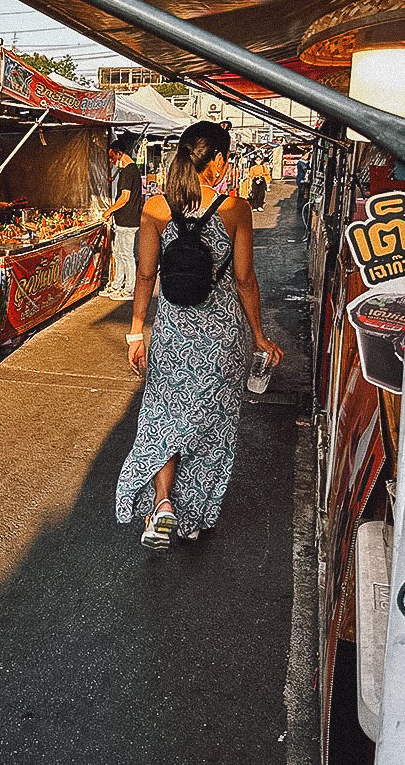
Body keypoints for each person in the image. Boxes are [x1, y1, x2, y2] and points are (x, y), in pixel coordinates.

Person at [116, 120, 283, 550]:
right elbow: (245, 279)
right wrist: (260, 336)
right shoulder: (235, 209)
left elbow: (146, 276)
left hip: (173, 334)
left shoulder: (155, 209)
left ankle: (164, 503)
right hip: (222, 338)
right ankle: (192, 516)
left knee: (164, 421)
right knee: (212, 427)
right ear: (219, 160)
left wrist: (137, 333)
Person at [101, 140, 143, 300]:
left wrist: (108, 211)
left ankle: (129, 289)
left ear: (119, 153)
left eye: (112, 157)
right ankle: (117, 285)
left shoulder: (127, 172)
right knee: (119, 253)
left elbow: (124, 198)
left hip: (128, 221)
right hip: (125, 220)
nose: (112, 161)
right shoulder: (133, 170)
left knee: (126, 255)